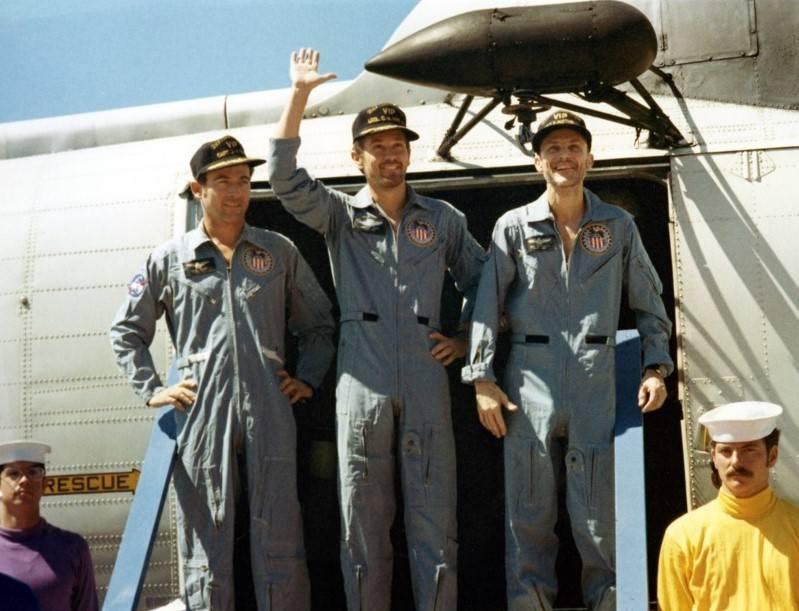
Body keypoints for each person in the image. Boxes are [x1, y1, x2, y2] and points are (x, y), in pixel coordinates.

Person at [268, 49, 486, 611]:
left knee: (434, 519)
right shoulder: (340, 215)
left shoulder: (442, 220)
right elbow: (285, 181)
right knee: (361, 521)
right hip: (360, 379)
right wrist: (298, 97)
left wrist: (464, 340)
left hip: (425, 373)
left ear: (408, 153)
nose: (391, 155)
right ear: (358, 156)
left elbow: (485, 283)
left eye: (398, 145)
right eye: (378, 146)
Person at [110, 135, 335, 610]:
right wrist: (151, 389)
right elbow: (127, 331)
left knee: (280, 537)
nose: (236, 191)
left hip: (269, 407)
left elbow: (319, 326)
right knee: (206, 544)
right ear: (199, 189)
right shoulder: (168, 259)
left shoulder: (277, 252)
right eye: (223, 181)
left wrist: (308, 379)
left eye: (244, 181)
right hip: (201, 410)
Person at [461, 110, 674, 610]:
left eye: (573, 147)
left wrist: (656, 367)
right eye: (553, 148)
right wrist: (481, 379)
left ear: (589, 158)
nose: (564, 156)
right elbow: (486, 305)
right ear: (539, 161)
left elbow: (649, 302)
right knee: (529, 517)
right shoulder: (513, 226)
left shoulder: (617, 226)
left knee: (598, 518)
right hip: (528, 382)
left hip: (595, 381)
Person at [657, 401, 799, 610]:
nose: (736, 462)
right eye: (726, 452)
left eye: (749, 450)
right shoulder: (683, 536)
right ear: (713, 457)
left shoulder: (795, 526)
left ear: (772, 455)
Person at [0, 440, 98, 611]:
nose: (24, 480)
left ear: (44, 484)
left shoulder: (72, 548)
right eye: (13, 474)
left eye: (34, 472)